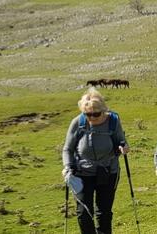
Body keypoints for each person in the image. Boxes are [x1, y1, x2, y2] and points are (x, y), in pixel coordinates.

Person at [62, 88, 129, 234]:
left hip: (108, 170)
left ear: (103, 110)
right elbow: (68, 149)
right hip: (82, 172)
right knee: (84, 212)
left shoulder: (113, 121)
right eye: (88, 114)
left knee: (104, 212)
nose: (92, 117)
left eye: (96, 114)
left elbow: (121, 141)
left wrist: (124, 147)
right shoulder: (78, 123)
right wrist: (68, 166)